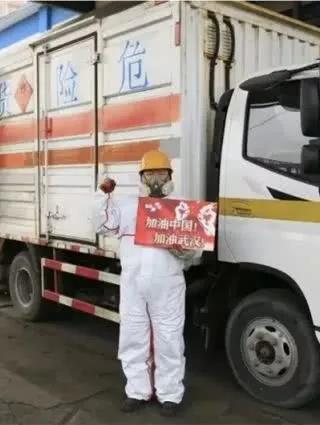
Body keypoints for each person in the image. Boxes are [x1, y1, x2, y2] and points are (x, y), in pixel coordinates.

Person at [93, 150, 197, 417]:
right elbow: (102, 225)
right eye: (149, 174)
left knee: (169, 340)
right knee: (132, 337)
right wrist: (103, 195)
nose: (155, 179)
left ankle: (170, 395)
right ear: (141, 177)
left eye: (161, 173)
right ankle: (137, 391)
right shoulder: (128, 206)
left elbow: (195, 251)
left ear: (170, 176)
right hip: (133, 284)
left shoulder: (182, 209)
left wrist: (185, 250)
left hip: (168, 285)